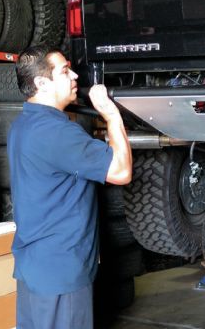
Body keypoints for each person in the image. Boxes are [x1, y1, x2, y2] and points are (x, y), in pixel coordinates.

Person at [7, 45, 132, 329]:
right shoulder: (58, 133)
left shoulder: (23, 124)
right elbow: (121, 172)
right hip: (61, 272)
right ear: (41, 82)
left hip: (35, 266)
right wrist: (112, 116)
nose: (75, 75)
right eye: (64, 70)